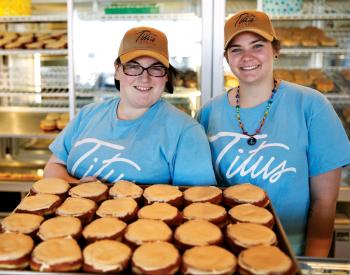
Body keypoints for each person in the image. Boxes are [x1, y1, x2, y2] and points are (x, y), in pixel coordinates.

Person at [197, 10, 350, 256]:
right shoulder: (208, 113)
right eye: (236, 49)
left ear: (275, 49)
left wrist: (309, 264)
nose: (247, 57)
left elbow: (324, 204)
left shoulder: (311, 106)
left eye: (257, 46)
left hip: (288, 254)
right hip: (224, 254)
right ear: (227, 57)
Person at [44, 26, 216, 187]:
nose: (144, 77)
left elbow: (197, 202)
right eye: (134, 67)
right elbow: (53, 167)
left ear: (166, 77)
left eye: (155, 69)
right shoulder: (88, 115)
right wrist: (77, 187)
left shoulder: (186, 132)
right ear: (117, 70)